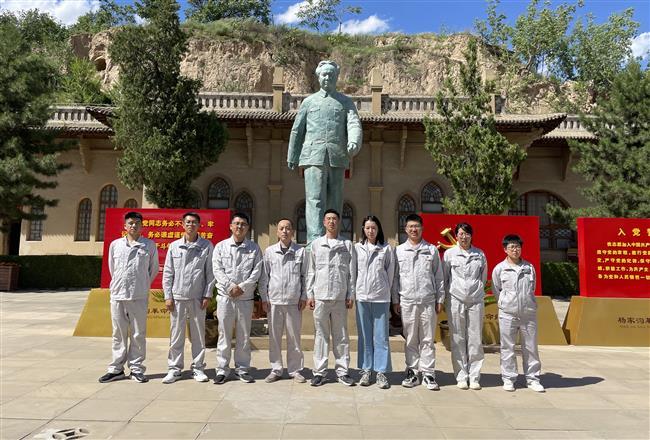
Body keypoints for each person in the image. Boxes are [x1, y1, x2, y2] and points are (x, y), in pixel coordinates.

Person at [287, 60, 363, 244]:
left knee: (335, 199)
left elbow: (353, 123)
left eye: (331, 74)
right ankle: (314, 241)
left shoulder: (345, 102)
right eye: (324, 74)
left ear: (336, 77)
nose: (327, 77)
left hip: (337, 156)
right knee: (315, 199)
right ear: (318, 77)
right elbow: (297, 130)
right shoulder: (309, 102)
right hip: (313, 156)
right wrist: (292, 155)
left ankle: (333, 237)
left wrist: (354, 141)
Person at [99, 211, 158, 384]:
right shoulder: (115, 245)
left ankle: (136, 368)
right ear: (125, 226)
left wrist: (142, 284)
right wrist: (120, 284)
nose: (134, 226)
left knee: (138, 333)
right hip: (118, 294)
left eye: (137, 223)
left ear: (142, 226)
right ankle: (116, 369)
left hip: (138, 295)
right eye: (130, 223)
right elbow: (112, 268)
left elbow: (153, 269)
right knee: (118, 333)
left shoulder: (149, 245)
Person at [161, 212, 215, 384]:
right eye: (188, 222)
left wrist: (207, 294)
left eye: (194, 222)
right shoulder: (174, 246)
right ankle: (174, 369)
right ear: (183, 225)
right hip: (177, 298)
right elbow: (168, 273)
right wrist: (168, 296)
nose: (191, 225)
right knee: (176, 335)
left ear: (199, 225)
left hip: (198, 298)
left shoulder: (206, 246)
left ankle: (198, 368)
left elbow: (210, 272)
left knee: (198, 336)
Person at [393, 214, 445, 390]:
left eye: (417, 226)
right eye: (410, 226)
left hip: (427, 300)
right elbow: (395, 278)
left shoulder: (431, 250)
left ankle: (429, 373)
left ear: (422, 228)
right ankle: (412, 372)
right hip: (407, 301)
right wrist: (395, 300)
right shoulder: (399, 251)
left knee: (428, 339)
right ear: (405, 229)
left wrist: (440, 298)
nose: (414, 229)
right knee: (410, 339)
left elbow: (439, 276)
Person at [307, 209, 357, 386]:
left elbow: (352, 272)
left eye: (334, 219)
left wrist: (351, 294)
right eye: (328, 219)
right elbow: (311, 271)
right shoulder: (316, 244)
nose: (331, 222)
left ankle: (342, 372)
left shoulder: (347, 244)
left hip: (340, 296)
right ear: (324, 222)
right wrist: (310, 294)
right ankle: (319, 372)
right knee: (320, 335)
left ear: (339, 221)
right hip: (320, 296)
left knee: (341, 335)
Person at [212, 212, 262, 384]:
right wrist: (230, 287)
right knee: (224, 334)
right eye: (237, 223)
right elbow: (217, 269)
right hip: (225, 297)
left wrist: (242, 287)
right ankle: (222, 369)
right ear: (231, 226)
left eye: (243, 224)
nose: (239, 227)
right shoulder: (221, 247)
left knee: (244, 335)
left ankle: (242, 369)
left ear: (248, 228)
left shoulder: (254, 248)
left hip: (245, 298)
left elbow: (256, 271)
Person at [492, 235, 545, 392]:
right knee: (507, 347)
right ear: (505, 249)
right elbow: (496, 290)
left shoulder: (529, 267)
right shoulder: (500, 269)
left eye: (517, 246)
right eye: (511, 247)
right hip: (508, 313)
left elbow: (532, 288)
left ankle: (533, 378)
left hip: (528, 314)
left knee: (530, 347)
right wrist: (506, 303)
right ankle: (508, 378)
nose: (515, 250)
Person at [259, 218, 307, 383]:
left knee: (294, 338)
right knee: (274, 337)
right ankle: (276, 369)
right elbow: (264, 277)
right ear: (277, 232)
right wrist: (264, 298)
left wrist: (303, 296)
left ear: (292, 232)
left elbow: (305, 276)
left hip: (294, 301)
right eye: (281, 228)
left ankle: (295, 370)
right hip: (274, 301)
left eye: (288, 228)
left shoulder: (300, 252)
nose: (285, 231)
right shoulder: (270, 252)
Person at [443, 222, 487, 390]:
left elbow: (483, 277)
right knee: (458, 338)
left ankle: (474, 376)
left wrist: (476, 291)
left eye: (467, 234)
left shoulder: (479, 254)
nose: (464, 237)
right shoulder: (449, 254)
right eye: (461, 234)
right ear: (456, 236)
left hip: (475, 300)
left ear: (471, 236)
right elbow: (445, 278)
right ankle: (461, 375)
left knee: (475, 338)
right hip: (455, 299)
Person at [354, 215, 395, 389]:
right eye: (368, 228)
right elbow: (354, 272)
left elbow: (390, 273)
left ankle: (381, 372)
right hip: (362, 297)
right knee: (364, 335)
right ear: (363, 229)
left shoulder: (386, 249)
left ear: (378, 230)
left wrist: (384, 289)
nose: (371, 231)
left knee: (381, 336)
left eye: (374, 228)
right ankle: (366, 370)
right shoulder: (357, 248)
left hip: (381, 298)